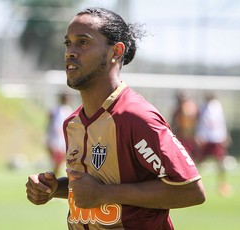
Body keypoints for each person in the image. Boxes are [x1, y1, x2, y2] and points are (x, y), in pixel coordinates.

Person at [26, 7, 205, 230]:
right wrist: (54, 189)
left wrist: (104, 194)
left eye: (82, 42)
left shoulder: (136, 117)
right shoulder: (73, 123)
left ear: (116, 52)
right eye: (68, 43)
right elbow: (91, 188)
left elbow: (191, 190)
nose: (70, 51)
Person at [195, 92, 232, 197]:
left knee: (221, 162)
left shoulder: (217, 106)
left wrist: (225, 135)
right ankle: (193, 182)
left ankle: (222, 184)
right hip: (205, 138)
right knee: (199, 161)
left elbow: (222, 122)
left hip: (217, 138)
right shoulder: (202, 108)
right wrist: (198, 135)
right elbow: (200, 122)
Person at [45, 93, 73, 175]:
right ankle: (53, 177)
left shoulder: (69, 110)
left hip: (64, 141)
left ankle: (55, 178)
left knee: (62, 162)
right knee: (57, 162)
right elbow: (50, 125)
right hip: (56, 141)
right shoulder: (55, 110)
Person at [171, 90, 199, 159]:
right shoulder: (177, 111)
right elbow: (174, 123)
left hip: (190, 136)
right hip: (181, 136)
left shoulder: (192, 108)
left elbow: (196, 122)